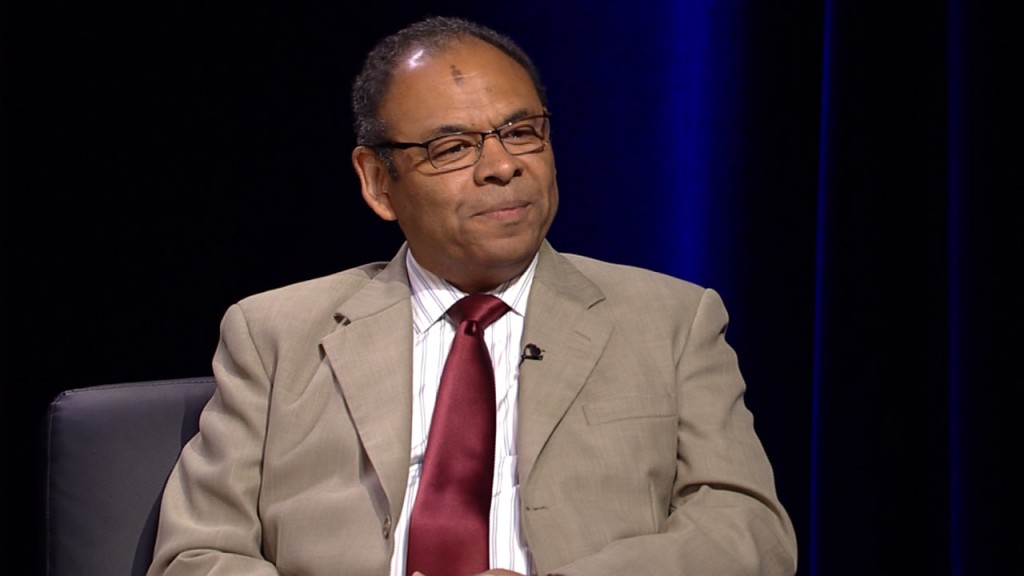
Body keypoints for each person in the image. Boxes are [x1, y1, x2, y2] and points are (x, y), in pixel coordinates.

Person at [146, 15, 797, 576]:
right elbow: (196, 555)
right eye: (452, 147)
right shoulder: (274, 334)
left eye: (521, 133)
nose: (501, 165)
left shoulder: (671, 321)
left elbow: (750, 535)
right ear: (378, 182)